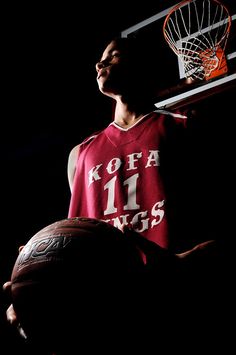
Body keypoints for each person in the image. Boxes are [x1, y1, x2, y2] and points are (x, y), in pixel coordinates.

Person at [3, 35, 234, 353]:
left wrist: (181, 264)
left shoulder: (186, 129)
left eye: (114, 56)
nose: (101, 63)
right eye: (101, 58)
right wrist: (35, 295)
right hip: (101, 319)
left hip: (170, 312)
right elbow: (77, 247)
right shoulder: (80, 154)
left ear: (146, 67)